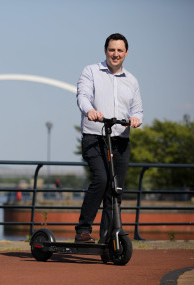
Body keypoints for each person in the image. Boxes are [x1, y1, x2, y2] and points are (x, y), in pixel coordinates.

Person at [75, 33, 143, 243]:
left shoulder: (131, 80)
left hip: (120, 140)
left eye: (120, 50)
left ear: (126, 53)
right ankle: (83, 230)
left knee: (116, 189)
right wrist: (90, 111)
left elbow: (138, 110)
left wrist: (135, 119)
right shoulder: (91, 71)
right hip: (95, 137)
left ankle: (107, 237)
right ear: (106, 50)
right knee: (102, 179)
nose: (115, 54)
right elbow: (82, 96)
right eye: (112, 50)